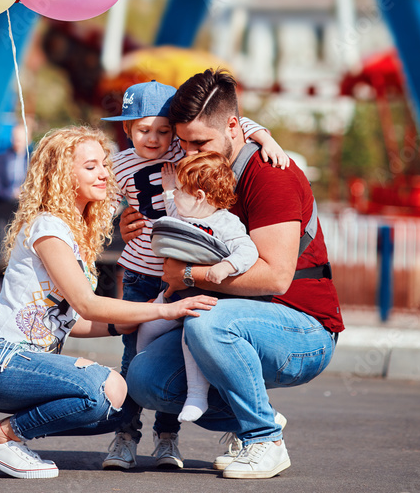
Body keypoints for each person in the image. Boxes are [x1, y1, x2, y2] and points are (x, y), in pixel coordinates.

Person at [0, 125, 218, 481]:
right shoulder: (49, 226)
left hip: (19, 362)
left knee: (119, 405)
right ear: (64, 174)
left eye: (104, 165)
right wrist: (165, 310)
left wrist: (119, 324)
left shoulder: (72, 230)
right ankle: (1, 438)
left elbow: (67, 319)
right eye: (91, 166)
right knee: (102, 386)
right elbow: (86, 303)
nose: (104, 174)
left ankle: (10, 436)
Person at [124, 69, 344, 481]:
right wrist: (129, 223)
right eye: (182, 142)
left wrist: (189, 275)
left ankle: (263, 439)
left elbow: (275, 278)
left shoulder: (269, 174)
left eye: (199, 143)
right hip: (232, 319)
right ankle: (257, 418)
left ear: (233, 127)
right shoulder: (202, 166)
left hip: (302, 329)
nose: (187, 153)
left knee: (208, 324)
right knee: (144, 379)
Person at [100, 80, 288, 471]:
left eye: (163, 130)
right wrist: (121, 222)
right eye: (142, 129)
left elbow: (224, 121)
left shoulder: (182, 149)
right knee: (133, 355)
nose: (154, 139)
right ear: (127, 128)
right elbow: (99, 204)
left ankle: (168, 437)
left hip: (183, 276)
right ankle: (124, 435)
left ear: (174, 130)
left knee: (184, 355)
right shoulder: (118, 165)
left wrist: (265, 137)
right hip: (142, 272)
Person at [137, 151, 258, 424]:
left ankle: (196, 396)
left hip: (200, 301)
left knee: (190, 339)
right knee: (147, 326)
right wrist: (170, 190)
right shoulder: (183, 212)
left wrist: (225, 267)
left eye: (181, 191)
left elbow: (247, 249)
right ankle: (137, 368)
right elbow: (171, 212)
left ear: (200, 196)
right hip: (171, 297)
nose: (176, 196)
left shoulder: (225, 223)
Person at [0, 123, 29, 203]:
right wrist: (10, 194)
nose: (18, 143)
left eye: (20, 140)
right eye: (16, 139)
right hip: (4, 203)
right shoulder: (1, 159)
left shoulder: (31, 160)